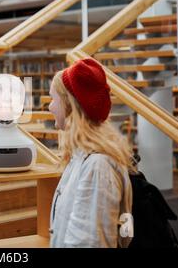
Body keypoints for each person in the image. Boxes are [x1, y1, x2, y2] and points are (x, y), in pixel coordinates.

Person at [48, 58, 134, 248]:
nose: (50, 107)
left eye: (53, 99)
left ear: (70, 105)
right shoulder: (80, 157)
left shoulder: (97, 167)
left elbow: (88, 242)